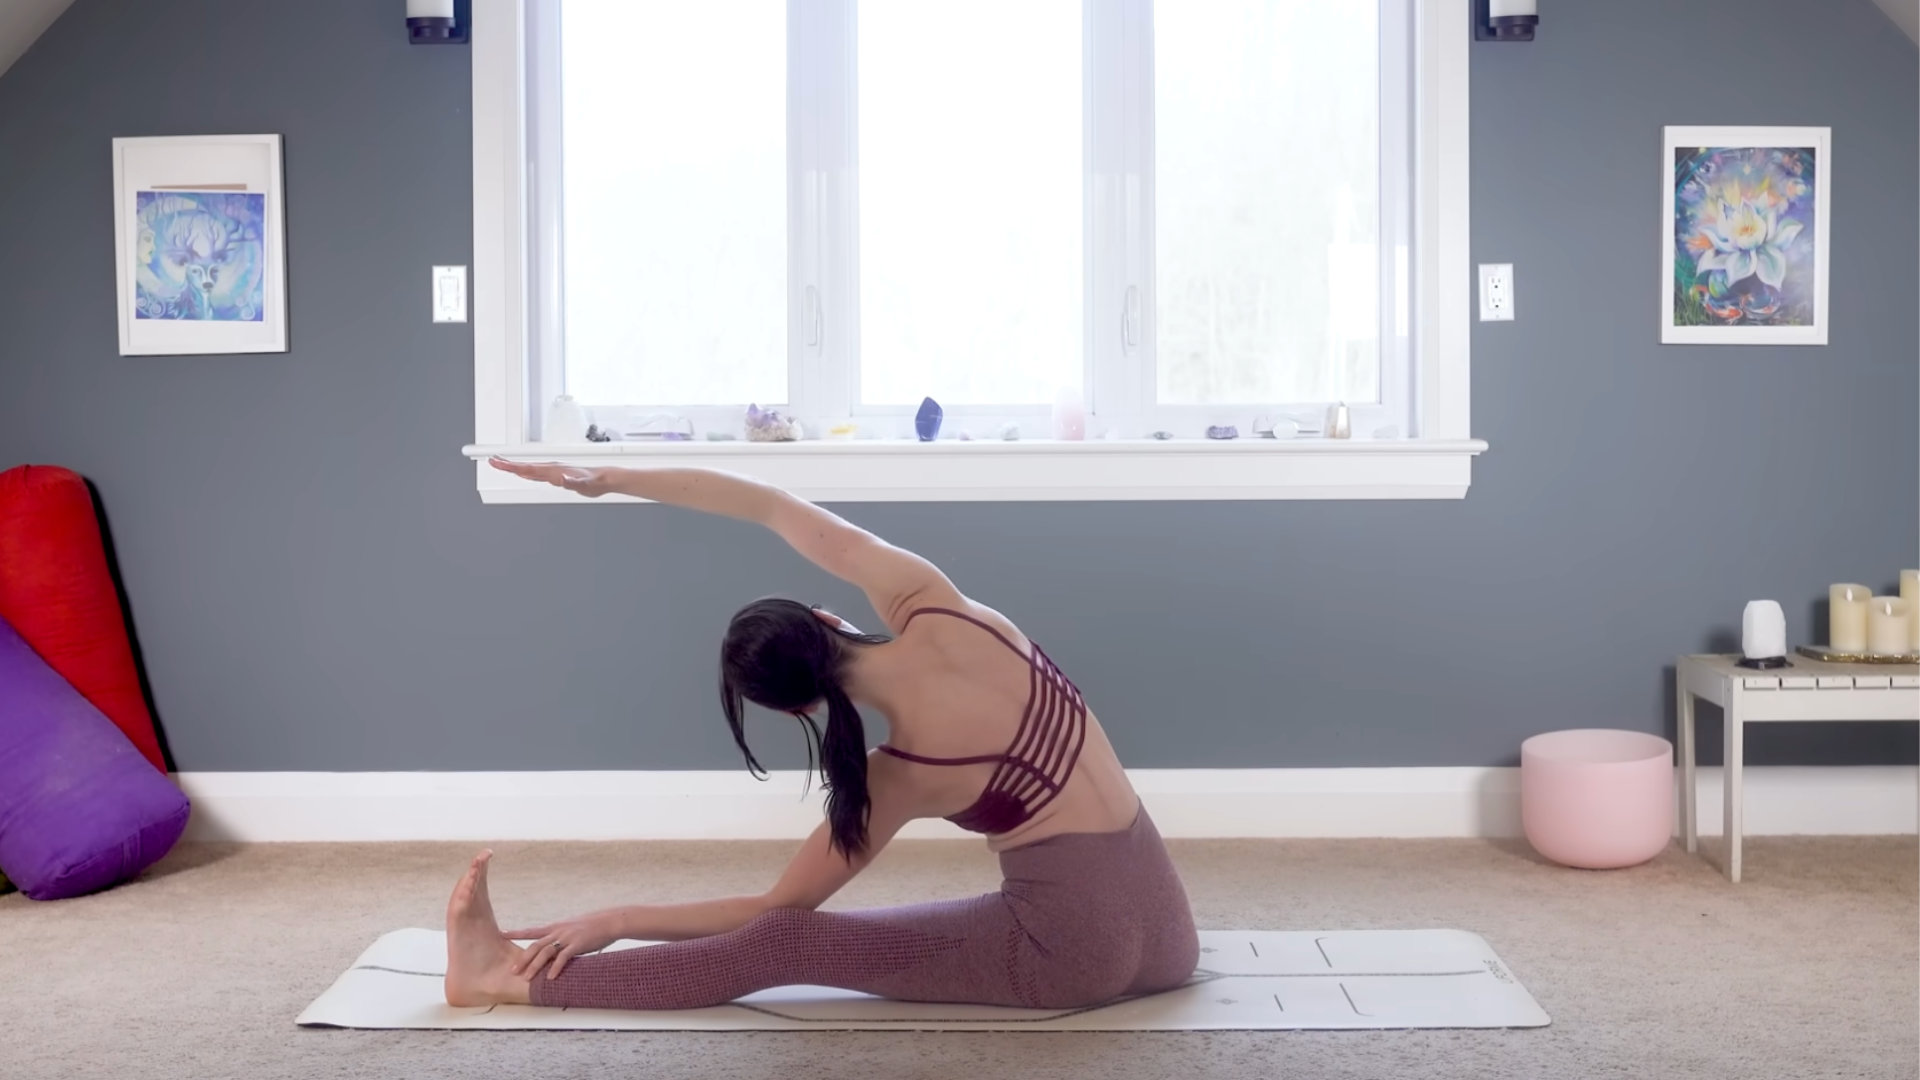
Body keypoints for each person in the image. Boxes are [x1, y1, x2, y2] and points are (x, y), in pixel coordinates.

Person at [441, 457, 1198, 1012]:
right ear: (827, 616)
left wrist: (615, 920)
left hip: (1068, 956)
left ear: (797, 710)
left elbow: (774, 913)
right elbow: (768, 503)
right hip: (1169, 931)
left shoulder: (903, 774)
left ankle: (499, 979)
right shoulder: (937, 601)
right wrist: (607, 478)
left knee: (787, 943)